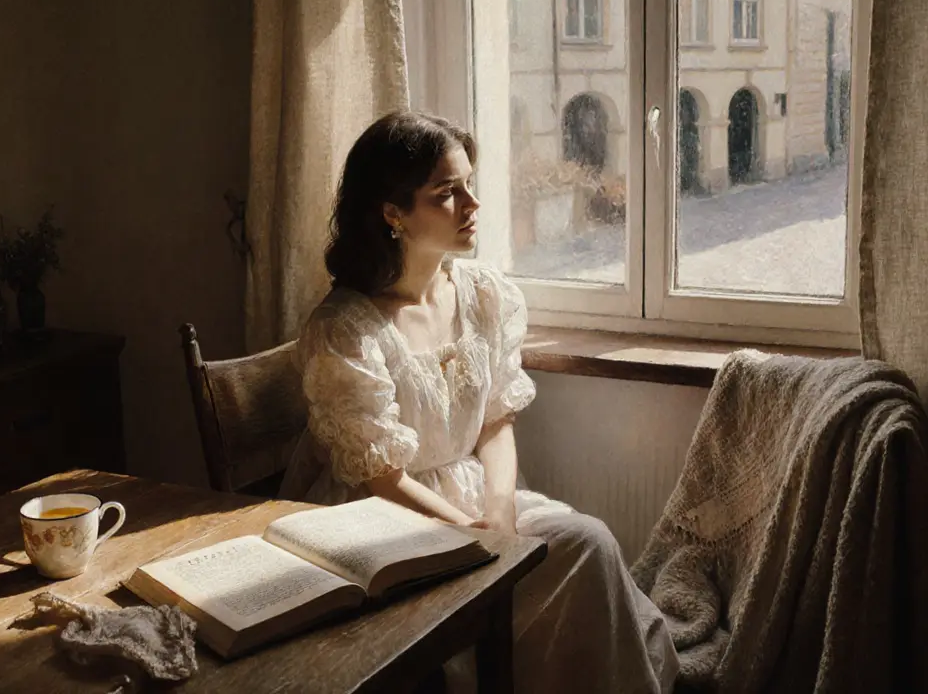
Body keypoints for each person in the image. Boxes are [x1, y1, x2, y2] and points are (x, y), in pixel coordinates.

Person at [278, 111, 677, 693]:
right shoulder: (346, 329)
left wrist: (499, 510)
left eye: (469, 184)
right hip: (383, 518)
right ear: (392, 213)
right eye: (447, 192)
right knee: (558, 563)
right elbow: (379, 476)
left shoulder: (483, 294)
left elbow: (495, 420)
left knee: (588, 541)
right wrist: (467, 532)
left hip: (472, 494)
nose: (472, 203)